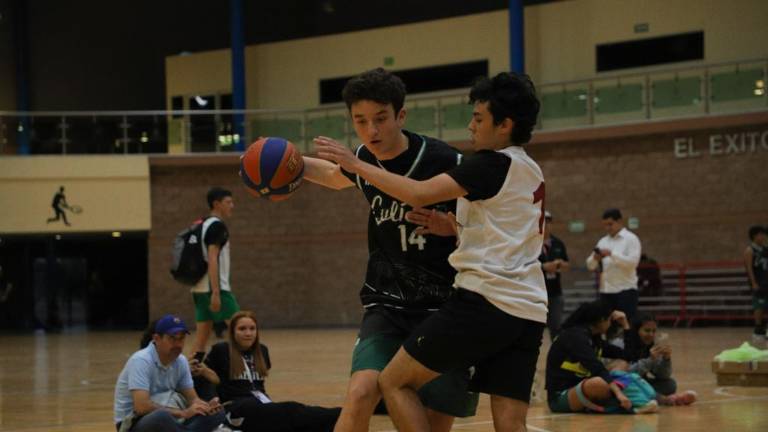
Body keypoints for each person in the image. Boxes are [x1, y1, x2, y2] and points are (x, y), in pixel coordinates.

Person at [316, 71, 547, 432]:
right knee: (512, 425)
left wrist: (356, 164)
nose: (470, 125)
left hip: (483, 302)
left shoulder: (487, 163)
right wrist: (452, 226)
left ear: (504, 125)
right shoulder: (529, 169)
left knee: (393, 382)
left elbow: (419, 194)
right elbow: (504, 231)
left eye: (479, 118)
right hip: (528, 309)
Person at [302, 68, 478, 432]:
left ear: (401, 115)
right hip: (386, 303)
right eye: (360, 121)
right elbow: (336, 178)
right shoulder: (363, 156)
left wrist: (453, 227)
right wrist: (292, 164)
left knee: (433, 420)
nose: (371, 131)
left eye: (380, 119)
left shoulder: (444, 159)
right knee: (361, 391)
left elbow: (485, 223)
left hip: (442, 306)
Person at [191, 310, 341, 432]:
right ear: (233, 332)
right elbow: (204, 379)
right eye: (242, 329)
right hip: (236, 409)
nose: (248, 333)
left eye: (252, 329)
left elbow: (259, 387)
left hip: (262, 405)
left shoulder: (262, 351)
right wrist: (212, 400)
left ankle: (339, 417)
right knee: (291, 409)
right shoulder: (221, 350)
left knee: (304, 424)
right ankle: (339, 413)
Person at [113, 314, 226, 432]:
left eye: (181, 338)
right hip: (133, 422)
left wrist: (205, 406)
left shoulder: (181, 360)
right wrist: (183, 413)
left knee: (218, 413)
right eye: (172, 338)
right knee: (161, 417)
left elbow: (193, 399)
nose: (178, 344)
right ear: (156, 339)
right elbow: (142, 407)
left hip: (172, 419)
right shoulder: (141, 360)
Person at [544, 299, 660, 414]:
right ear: (601, 320)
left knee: (620, 366)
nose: (611, 324)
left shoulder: (595, 339)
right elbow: (597, 368)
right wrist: (618, 393)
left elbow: (628, 356)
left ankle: (638, 400)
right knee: (599, 384)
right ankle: (632, 407)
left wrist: (625, 325)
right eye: (609, 319)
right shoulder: (575, 337)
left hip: (584, 388)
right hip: (561, 397)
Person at [190, 187, 240, 361]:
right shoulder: (217, 226)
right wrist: (217, 293)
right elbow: (212, 259)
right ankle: (250, 376)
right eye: (228, 202)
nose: (232, 206)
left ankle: (190, 376)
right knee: (243, 330)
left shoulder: (201, 224)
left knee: (200, 342)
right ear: (216, 204)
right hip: (215, 288)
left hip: (199, 288)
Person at [619, 312, 697, 405]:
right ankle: (665, 400)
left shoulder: (650, 346)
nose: (651, 334)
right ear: (636, 331)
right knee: (634, 385)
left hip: (641, 383)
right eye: (647, 331)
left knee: (670, 384)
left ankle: (651, 397)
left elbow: (663, 375)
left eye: (654, 331)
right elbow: (625, 374)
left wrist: (666, 359)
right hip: (622, 384)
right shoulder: (622, 344)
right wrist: (650, 360)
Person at [586, 208, 642, 323]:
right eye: (605, 225)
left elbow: (632, 264)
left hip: (625, 291)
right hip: (606, 291)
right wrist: (595, 259)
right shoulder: (602, 241)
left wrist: (612, 254)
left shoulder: (631, 239)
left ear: (619, 221)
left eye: (610, 224)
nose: (607, 228)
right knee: (608, 328)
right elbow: (590, 266)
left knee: (626, 326)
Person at [539, 210, 570, 340]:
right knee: (536, 327)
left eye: (549, 222)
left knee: (556, 327)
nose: (546, 225)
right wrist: (543, 267)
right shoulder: (531, 244)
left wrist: (560, 265)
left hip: (555, 292)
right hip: (538, 293)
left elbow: (567, 265)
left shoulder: (558, 243)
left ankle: (556, 354)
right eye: (543, 221)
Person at [744, 225, 768, 341]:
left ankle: (765, 330)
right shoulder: (750, 250)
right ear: (755, 236)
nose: (763, 236)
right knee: (759, 305)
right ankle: (758, 330)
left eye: (764, 234)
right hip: (758, 281)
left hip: (766, 280)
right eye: (761, 234)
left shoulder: (765, 249)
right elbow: (749, 268)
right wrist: (753, 282)